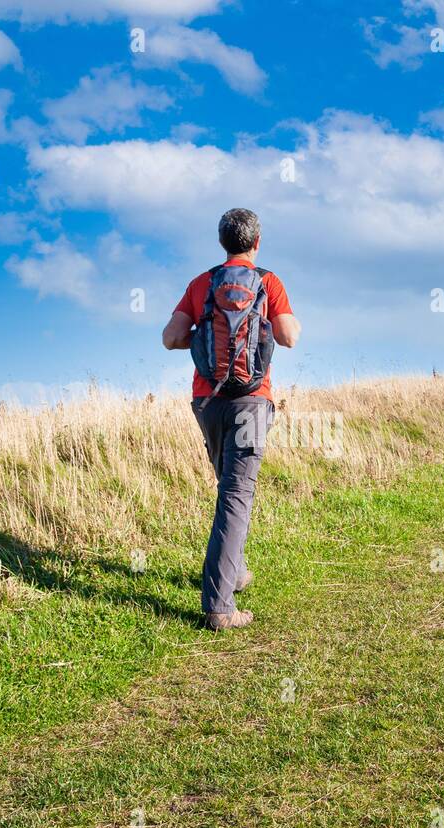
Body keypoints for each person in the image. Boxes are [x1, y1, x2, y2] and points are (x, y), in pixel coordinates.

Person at [161, 208, 301, 629]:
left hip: (207, 402)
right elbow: (289, 336)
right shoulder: (267, 281)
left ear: (223, 242)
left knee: (230, 488)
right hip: (252, 401)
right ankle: (220, 606)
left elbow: (170, 338)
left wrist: (204, 333)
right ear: (256, 242)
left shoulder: (201, 283)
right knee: (237, 496)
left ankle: (234, 572)